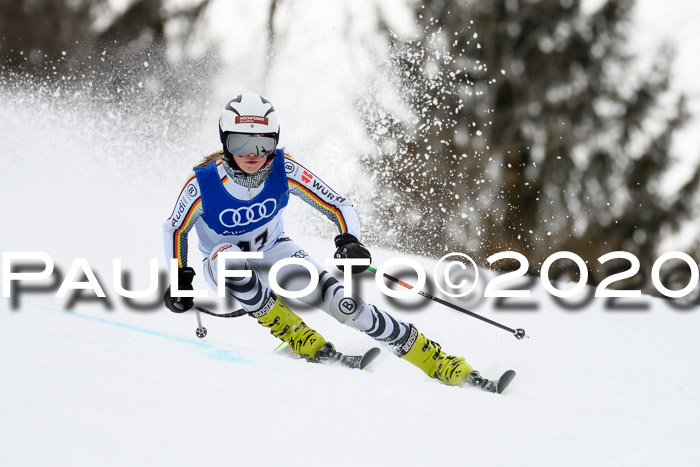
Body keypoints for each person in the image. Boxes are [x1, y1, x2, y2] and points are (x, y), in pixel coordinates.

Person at [162, 93, 497, 390]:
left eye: (262, 144)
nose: (253, 154)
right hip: (223, 264)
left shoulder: (284, 170)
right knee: (228, 258)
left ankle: (436, 360)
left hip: (276, 253)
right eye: (240, 143)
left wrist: (349, 240)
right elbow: (175, 229)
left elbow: (338, 204)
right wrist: (180, 278)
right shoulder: (202, 185)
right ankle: (296, 335)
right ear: (225, 142)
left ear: (274, 142)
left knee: (345, 305)